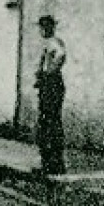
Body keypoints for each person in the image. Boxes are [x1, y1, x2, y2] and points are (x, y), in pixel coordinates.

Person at [34, 14, 67, 177]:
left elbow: (61, 56)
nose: (42, 30)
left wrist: (49, 73)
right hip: (48, 85)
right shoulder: (48, 43)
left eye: (44, 27)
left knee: (50, 122)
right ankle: (48, 163)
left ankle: (54, 164)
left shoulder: (54, 42)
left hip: (52, 85)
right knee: (47, 123)